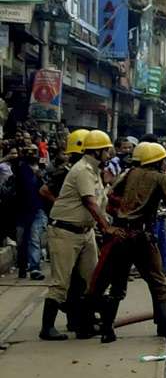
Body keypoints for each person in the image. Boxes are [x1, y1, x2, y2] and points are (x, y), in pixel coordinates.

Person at [91, 142, 166, 344]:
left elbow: (111, 196)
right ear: (155, 161)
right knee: (158, 284)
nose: (165, 163)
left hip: (121, 235)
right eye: (163, 159)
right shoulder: (160, 177)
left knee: (118, 285)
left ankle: (107, 331)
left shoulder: (129, 173)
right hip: (142, 237)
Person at [43, 130, 115, 341]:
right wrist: (106, 227)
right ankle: (46, 328)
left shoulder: (95, 171)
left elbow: (101, 202)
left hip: (85, 231)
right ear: (98, 151)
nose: (109, 155)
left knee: (93, 279)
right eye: (106, 151)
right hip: (65, 231)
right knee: (61, 282)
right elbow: (89, 202)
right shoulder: (83, 170)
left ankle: (85, 321)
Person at [13, 144, 47, 280]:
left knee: (33, 239)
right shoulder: (20, 168)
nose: (32, 154)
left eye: (34, 151)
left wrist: (39, 176)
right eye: (29, 152)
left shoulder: (42, 170)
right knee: (21, 240)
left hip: (36, 209)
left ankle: (34, 268)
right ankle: (22, 267)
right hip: (21, 210)